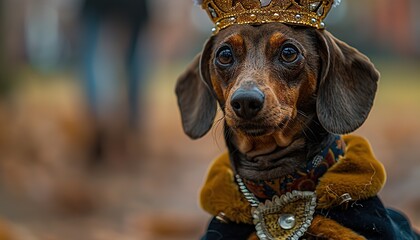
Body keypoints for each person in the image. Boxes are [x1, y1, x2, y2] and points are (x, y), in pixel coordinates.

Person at [80, 0, 150, 164]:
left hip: (100, 6)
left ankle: (102, 122)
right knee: (133, 64)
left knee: (96, 60)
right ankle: (131, 129)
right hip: (134, 8)